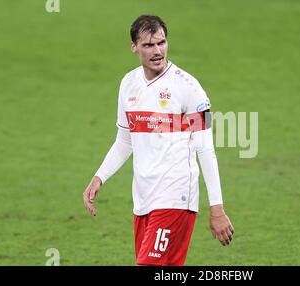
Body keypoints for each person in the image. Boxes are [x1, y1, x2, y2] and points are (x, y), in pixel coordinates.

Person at [82, 15, 234, 266]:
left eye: (161, 43)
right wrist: (100, 176)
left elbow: (206, 149)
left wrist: (216, 209)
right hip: (143, 201)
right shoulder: (128, 84)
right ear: (134, 47)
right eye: (149, 45)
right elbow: (125, 140)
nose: (157, 51)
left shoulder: (189, 88)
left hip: (175, 197)